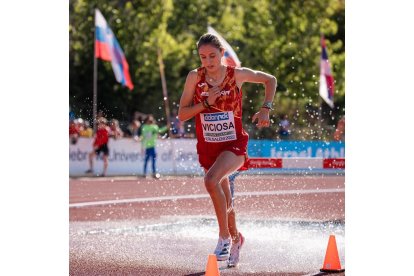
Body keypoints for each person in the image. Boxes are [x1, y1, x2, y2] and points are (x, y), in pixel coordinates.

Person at [178, 33, 277, 267]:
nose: (208, 61)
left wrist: (266, 108)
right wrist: (206, 104)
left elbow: (270, 79)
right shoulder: (195, 77)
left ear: (222, 53)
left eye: (212, 55)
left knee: (211, 180)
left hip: (233, 145)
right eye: (203, 57)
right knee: (225, 199)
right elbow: (182, 114)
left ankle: (223, 237)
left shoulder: (236, 74)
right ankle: (235, 238)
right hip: (209, 146)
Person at [139, 115, 168, 179]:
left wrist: (166, 127)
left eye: (151, 120)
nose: (151, 121)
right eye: (149, 120)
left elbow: (159, 131)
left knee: (153, 160)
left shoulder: (155, 127)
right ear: (147, 120)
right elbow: (143, 136)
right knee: (146, 160)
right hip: (147, 146)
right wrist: (141, 144)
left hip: (153, 146)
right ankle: (144, 173)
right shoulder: (144, 127)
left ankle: (154, 173)